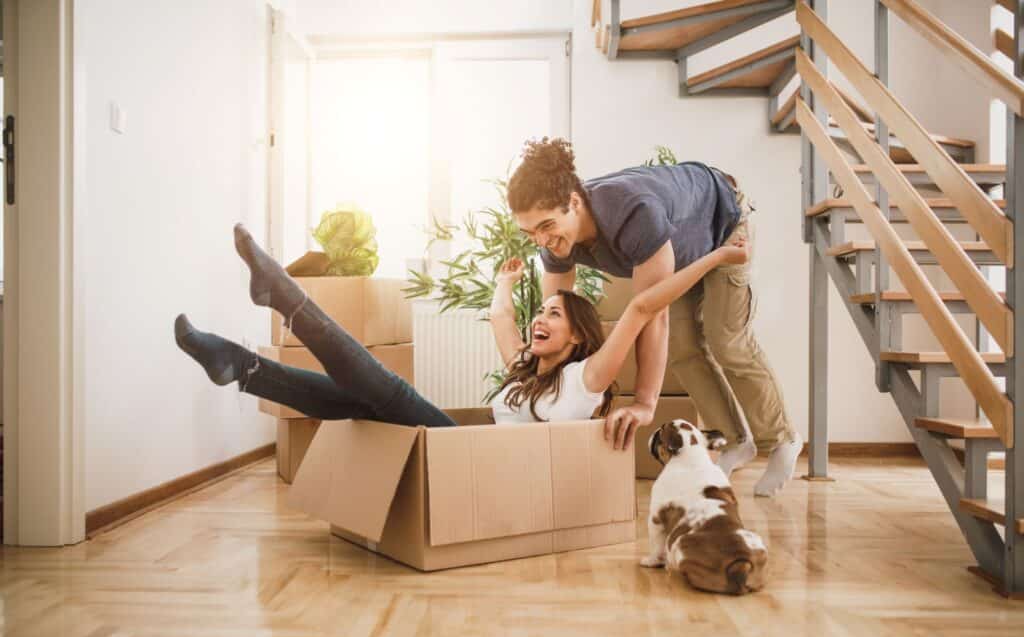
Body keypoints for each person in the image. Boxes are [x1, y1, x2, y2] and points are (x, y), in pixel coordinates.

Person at [174, 225, 747, 435]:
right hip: (461, 451)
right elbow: (502, 317)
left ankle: (285, 301)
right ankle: (242, 368)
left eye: (555, 316)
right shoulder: (524, 372)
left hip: (474, 466)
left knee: (387, 392)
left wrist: (717, 258)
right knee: (363, 402)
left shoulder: (586, 380)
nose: (541, 319)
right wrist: (505, 282)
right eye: (542, 312)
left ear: (578, 338)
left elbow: (645, 307)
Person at [508, 137, 800, 496]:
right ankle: (735, 442)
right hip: (680, 250)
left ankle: (782, 439)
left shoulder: (632, 213)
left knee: (727, 341)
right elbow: (554, 319)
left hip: (724, 231)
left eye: (547, 226)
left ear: (573, 202)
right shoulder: (554, 239)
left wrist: (645, 404)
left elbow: (652, 314)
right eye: (530, 232)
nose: (541, 241)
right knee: (684, 351)